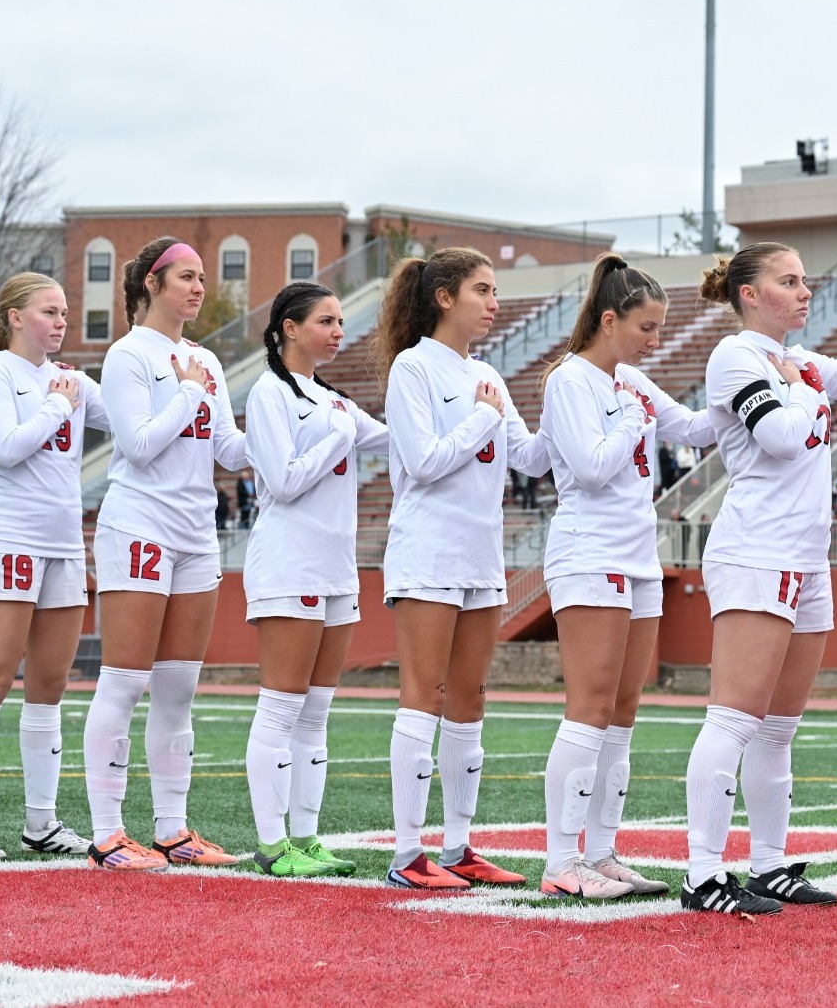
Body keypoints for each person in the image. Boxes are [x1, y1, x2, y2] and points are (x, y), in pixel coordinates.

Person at [680, 241, 837, 917]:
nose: (805, 290)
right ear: (750, 293)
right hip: (757, 551)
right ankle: (702, 874)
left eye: (805, 279)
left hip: (806, 558)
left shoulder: (801, 361)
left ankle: (768, 863)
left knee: (779, 728)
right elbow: (783, 436)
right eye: (789, 281)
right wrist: (804, 391)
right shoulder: (736, 356)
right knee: (733, 718)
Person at [532, 254, 718, 900]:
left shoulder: (631, 379)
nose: (655, 339)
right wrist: (638, 420)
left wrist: (750, 393)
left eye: (661, 326)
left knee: (624, 709)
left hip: (637, 555)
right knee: (588, 706)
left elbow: (694, 426)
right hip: (589, 551)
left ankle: (604, 850)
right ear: (609, 319)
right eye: (646, 325)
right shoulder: (568, 381)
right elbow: (588, 467)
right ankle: (560, 861)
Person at [376, 246, 549, 890]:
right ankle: (405, 855)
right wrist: (483, 415)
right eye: (482, 289)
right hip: (428, 550)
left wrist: (571, 393)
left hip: (481, 553)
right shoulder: (412, 369)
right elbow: (423, 462)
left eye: (495, 290)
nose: (494, 302)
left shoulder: (491, 377)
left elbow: (529, 458)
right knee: (426, 694)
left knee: (470, 698)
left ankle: (458, 846)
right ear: (445, 297)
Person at [83, 239, 245, 871]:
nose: (199, 287)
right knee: (125, 680)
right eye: (186, 276)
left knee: (178, 687)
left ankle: (174, 831)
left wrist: (296, 431)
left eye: (202, 277)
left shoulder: (204, 358)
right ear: (151, 284)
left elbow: (227, 449)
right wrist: (185, 394)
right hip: (140, 525)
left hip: (196, 533)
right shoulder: (128, 355)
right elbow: (138, 445)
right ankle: (106, 834)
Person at [0, 273, 107, 862]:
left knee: (50, 686)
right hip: (10, 537)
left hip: (64, 542)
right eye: (49, 311)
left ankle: (41, 821)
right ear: (15, 317)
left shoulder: (69, 379)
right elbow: (6, 448)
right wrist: (57, 404)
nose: (62, 322)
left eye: (64, 312)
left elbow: (132, 421)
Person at [239, 281, 388, 878]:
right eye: (325, 320)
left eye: (339, 321)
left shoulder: (334, 400)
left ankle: (307, 836)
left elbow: (400, 442)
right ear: (289, 328)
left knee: (316, 713)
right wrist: (338, 435)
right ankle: (274, 845)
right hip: (287, 562)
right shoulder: (269, 394)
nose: (337, 330)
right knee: (280, 706)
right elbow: (284, 480)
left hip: (336, 566)